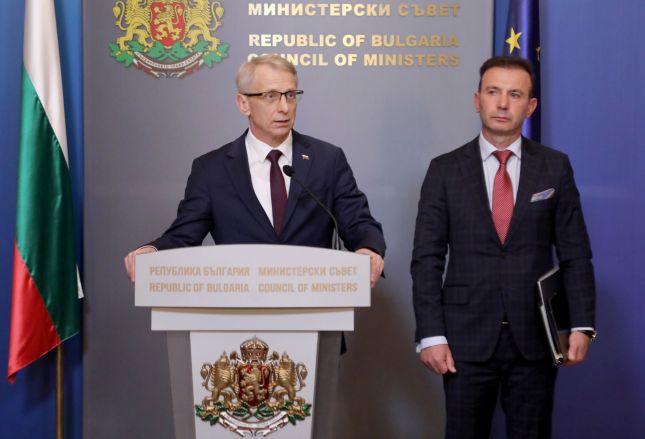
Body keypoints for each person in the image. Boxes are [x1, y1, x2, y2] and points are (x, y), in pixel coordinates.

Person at [124, 54, 385, 439]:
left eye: (291, 95)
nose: (284, 107)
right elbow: (184, 234)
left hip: (312, 327)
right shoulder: (212, 168)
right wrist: (153, 252)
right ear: (243, 103)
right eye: (270, 96)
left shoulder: (327, 160)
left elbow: (358, 221)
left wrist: (368, 249)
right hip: (229, 333)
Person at [411, 56, 596, 439]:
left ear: (530, 106)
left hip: (536, 338)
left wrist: (581, 324)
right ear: (476, 100)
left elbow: (575, 253)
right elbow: (427, 259)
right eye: (493, 92)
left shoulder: (555, 167)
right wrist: (431, 334)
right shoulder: (444, 170)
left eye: (514, 94)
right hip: (464, 340)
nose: (501, 103)